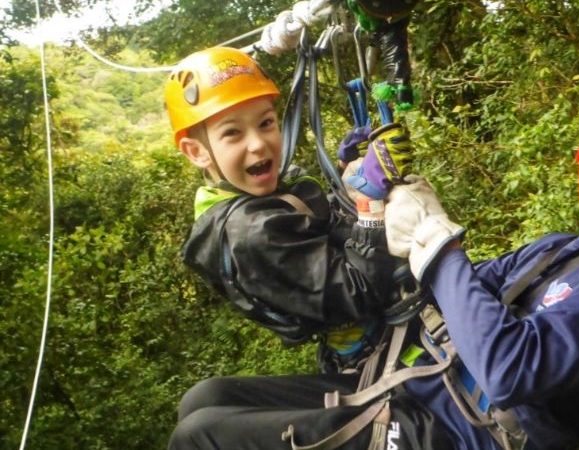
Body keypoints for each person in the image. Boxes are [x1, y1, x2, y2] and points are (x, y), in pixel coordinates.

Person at [168, 92, 579, 450]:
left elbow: (508, 370)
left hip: (464, 432)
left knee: (204, 437)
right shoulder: (556, 249)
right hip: (416, 385)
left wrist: (437, 241)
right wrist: (365, 199)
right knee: (206, 398)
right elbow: (448, 291)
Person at [164, 46, 412, 372]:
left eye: (266, 123)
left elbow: (316, 226)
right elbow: (360, 291)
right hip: (380, 347)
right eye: (232, 133)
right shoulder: (251, 234)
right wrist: (369, 200)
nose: (258, 143)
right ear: (197, 151)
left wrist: (346, 169)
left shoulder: (258, 193)